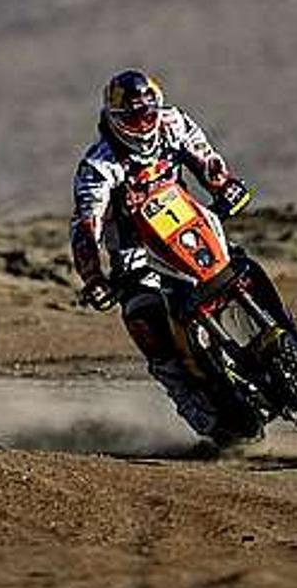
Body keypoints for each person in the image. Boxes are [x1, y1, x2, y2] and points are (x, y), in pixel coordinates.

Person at [71, 68, 262, 446]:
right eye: (132, 117)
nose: (143, 123)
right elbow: (86, 225)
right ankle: (203, 416)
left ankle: (277, 342)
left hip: (188, 224)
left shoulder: (174, 122)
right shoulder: (97, 166)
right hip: (135, 254)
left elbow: (206, 160)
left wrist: (225, 186)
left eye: (148, 112)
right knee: (144, 318)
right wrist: (93, 276)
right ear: (115, 119)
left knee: (240, 265)